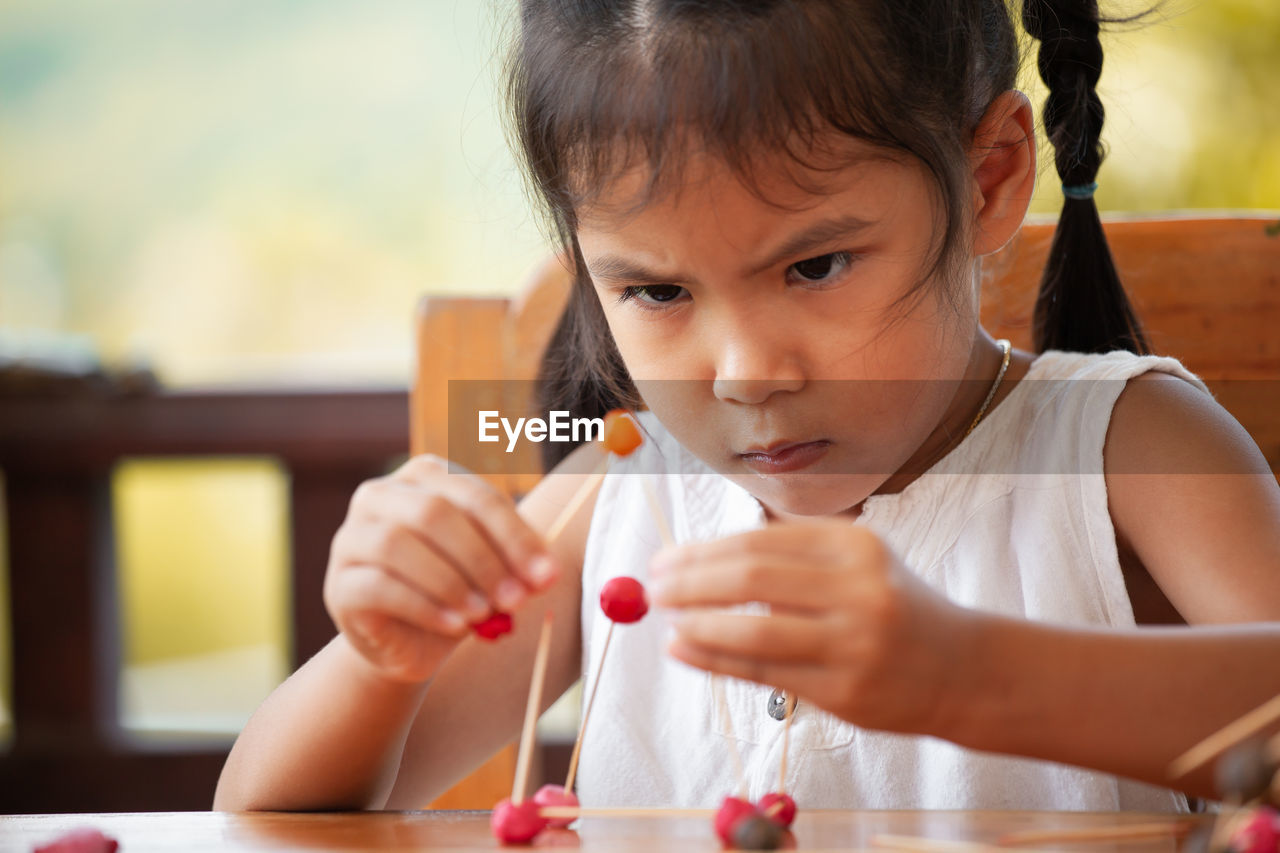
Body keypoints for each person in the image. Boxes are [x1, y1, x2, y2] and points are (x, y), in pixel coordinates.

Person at [214, 0, 1280, 813]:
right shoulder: (622, 500)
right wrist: (380, 659)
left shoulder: (1124, 451)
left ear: (990, 178)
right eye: (657, 292)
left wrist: (970, 676)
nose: (742, 371)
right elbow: (264, 815)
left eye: (814, 266)